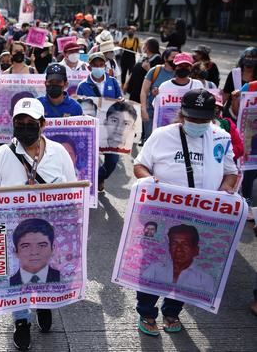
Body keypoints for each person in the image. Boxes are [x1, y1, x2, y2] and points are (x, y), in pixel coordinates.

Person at [132, 89, 237, 336]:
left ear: (213, 116)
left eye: (203, 119)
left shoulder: (221, 138)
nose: (197, 124)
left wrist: (225, 190)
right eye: (192, 118)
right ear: (181, 114)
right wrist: (150, 181)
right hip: (162, 213)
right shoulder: (161, 136)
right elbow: (139, 165)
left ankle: (172, 311)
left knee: (186, 263)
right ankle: (147, 312)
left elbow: (230, 171)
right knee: (155, 261)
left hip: (200, 217)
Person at [0, 97, 76, 351]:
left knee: (47, 269)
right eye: (19, 122)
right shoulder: (2, 155)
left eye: (31, 122)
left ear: (42, 124)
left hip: (50, 230)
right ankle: (21, 320)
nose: (25, 127)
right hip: (15, 233)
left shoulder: (58, 153)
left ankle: (45, 303)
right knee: (17, 275)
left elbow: (72, 189)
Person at [77, 52, 124, 192]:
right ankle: (92, 184)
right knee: (92, 159)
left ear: (105, 66)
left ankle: (99, 178)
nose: (98, 67)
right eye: (95, 65)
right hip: (92, 128)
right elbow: (80, 108)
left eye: (101, 65)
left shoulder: (113, 82)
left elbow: (120, 97)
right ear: (89, 67)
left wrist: (121, 101)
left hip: (110, 128)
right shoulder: (83, 86)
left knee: (113, 161)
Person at [142, 225, 214, 293]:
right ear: (169, 248)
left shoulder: (205, 280)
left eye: (185, 244)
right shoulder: (155, 269)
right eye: (174, 244)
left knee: (174, 304)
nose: (179, 249)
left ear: (196, 250)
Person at [139, 47, 179, 141]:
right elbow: (144, 91)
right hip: (152, 112)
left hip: (171, 115)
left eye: (178, 57)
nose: (175, 60)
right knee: (150, 139)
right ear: (165, 58)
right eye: (173, 57)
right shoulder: (155, 71)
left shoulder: (180, 74)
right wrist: (143, 110)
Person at [10, 218, 60, 286]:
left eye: (42, 245)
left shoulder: (64, 277)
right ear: (15, 252)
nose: (34, 252)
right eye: (26, 246)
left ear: (52, 249)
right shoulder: (7, 283)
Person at [124, 38, 162, 103]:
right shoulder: (144, 57)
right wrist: (127, 83)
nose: (142, 46)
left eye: (144, 44)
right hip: (134, 90)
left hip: (142, 92)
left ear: (148, 47)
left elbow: (157, 77)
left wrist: (148, 69)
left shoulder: (157, 59)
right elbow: (133, 71)